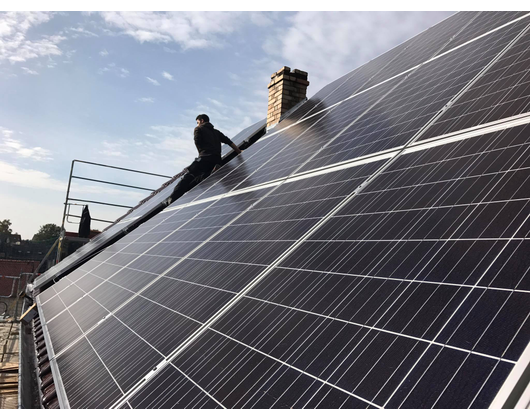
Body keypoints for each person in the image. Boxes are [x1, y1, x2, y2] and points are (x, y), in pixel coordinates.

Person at [165, 114, 242, 205]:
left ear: (201, 121)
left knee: (188, 176)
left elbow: (197, 141)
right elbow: (228, 141)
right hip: (217, 160)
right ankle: (210, 173)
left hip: (204, 157)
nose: (197, 124)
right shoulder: (216, 132)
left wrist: (201, 154)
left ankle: (172, 199)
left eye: (198, 122)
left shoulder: (198, 129)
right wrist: (239, 151)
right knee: (200, 179)